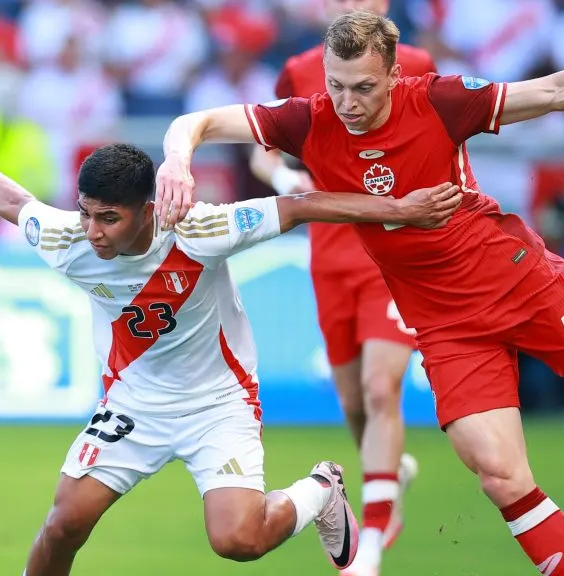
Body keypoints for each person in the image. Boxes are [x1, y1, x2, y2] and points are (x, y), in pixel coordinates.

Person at [155, 2, 564, 575]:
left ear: (395, 73)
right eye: (337, 85)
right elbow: (198, 120)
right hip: (445, 326)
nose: (347, 102)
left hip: (517, 280)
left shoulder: (439, 100)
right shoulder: (308, 119)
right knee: (501, 476)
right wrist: (177, 159)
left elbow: (555, 91)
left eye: (364, 87)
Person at [0, 123, 464, 575]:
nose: (93, 232)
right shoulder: (70, 239)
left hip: (217, 405)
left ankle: (321, 490)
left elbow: (302, 205)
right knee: (64, 524)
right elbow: (18, 205)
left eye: (108, 218)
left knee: (238, 541)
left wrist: (400, 209)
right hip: (133, 405)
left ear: (148, 209)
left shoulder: (198, 230)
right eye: (86, 213)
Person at [248, 1, 435, 570]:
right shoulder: (300, 70)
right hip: (329, 255)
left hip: (392, 257)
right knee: (354, 401)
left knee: (382, 390)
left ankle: (372, 536)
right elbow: (264, 156)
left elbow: (437, 137)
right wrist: (287, 177)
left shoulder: (417, 62)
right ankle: (388, 472)